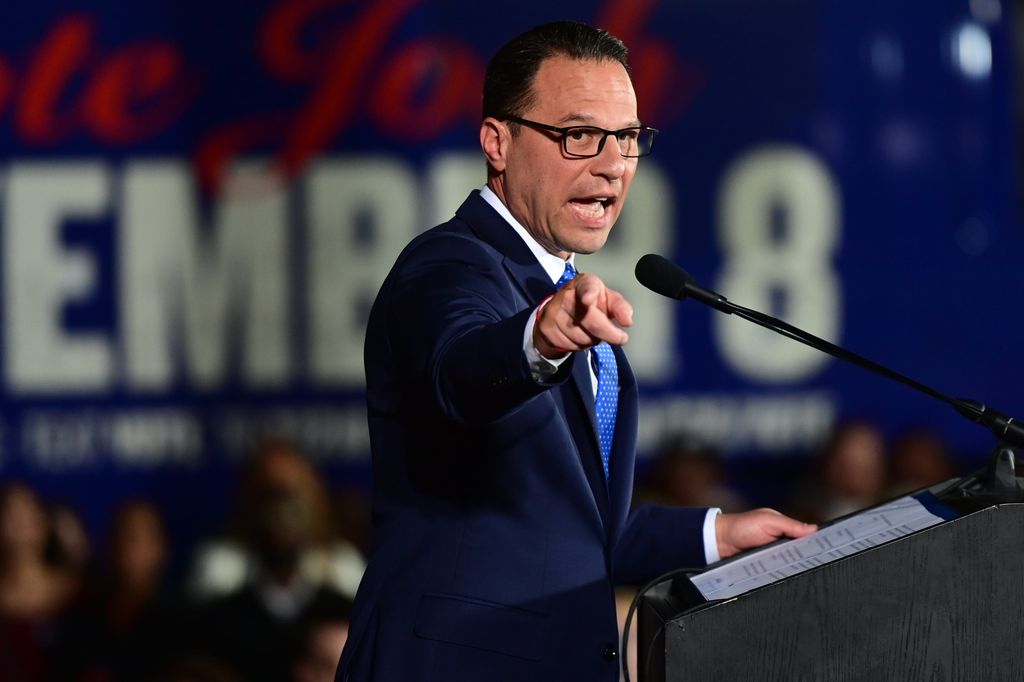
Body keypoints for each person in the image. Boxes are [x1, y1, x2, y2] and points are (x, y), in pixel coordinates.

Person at [338, 21, 814, 681]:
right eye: (578, 135)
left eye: (627, 139)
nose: (613, 164)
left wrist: (714, 534)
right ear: (497, 142)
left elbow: (567, 530)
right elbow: (459, 373)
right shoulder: (449, 266)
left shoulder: (561, 288)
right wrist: (539, 340)